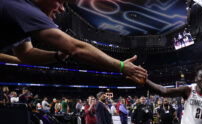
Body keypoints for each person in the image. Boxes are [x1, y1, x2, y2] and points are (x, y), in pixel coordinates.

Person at [0, 0, 147, 85]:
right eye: (60, 1)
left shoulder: (19, 13)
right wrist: (121, 66)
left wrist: (57, 56)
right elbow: (76, 48)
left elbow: (26, 54)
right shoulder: (27, 10)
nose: (62, 8)